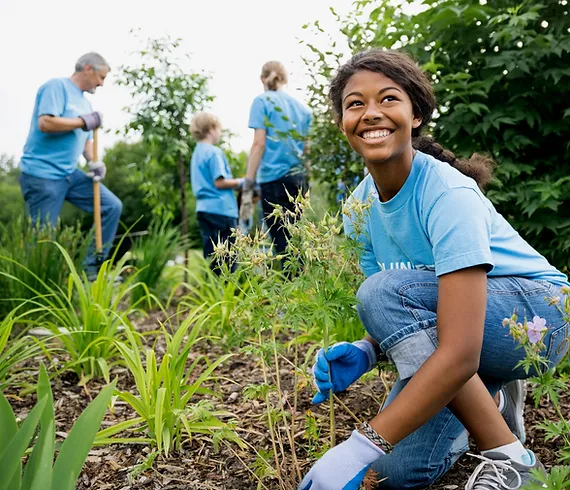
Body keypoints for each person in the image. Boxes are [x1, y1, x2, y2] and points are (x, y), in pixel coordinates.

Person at [301, 49, 570, 490]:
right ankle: (491, 397)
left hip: (539, 317)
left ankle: (510, 459)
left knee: (381, 293)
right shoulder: (359, 209)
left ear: (417, 114)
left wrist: (358, 445)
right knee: (401, 468)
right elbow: (417, 315)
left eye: (388, 99)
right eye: (355, 104)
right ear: (341, 122)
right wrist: (369, 349)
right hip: (467, 325)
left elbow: (452, 344)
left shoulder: (447, 194)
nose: (371, 113)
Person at [19, 52, 122, 277]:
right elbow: (46, 122)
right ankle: (39, 290)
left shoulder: (85, 102)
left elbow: (86, 139)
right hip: (42, 174)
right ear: (88, 69)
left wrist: (94, 161)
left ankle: (90, 272)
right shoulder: (56, 87)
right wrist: (83, 121)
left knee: (111, 207)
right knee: (43, 238)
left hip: (69, 174)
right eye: (101, 77)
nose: (102, 83)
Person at [241, 60, 312, 259]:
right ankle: (302, 287)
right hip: (298, 181)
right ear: (285, 79)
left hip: (273, 181)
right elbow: (307, 150)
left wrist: (248, 180)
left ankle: (289, 288)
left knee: (282, 246)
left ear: (262, 79)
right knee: (297, 241)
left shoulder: (261, 102)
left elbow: (259, 144)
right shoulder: (303, 109)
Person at [190, 112, 244, 274]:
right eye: (219, 129)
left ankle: (213, 296)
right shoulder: (213, 152)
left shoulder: (197, 152)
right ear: (212, 129)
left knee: (213, 259)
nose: (220, 133)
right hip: (221, 211)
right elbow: (219, 182)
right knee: (228, 260)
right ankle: (227, 297)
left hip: (204, 210)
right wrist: (242, 182)